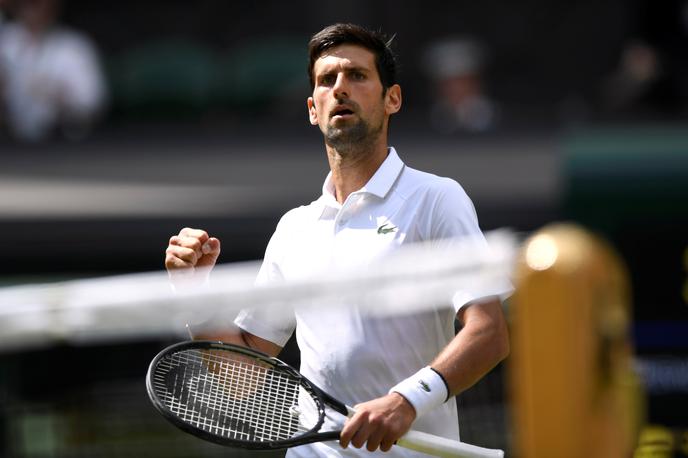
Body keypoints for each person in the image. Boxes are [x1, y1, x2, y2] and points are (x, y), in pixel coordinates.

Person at [165, 23, 510, 457]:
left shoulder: (436, 198)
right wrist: (193, 293)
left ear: (393, 99)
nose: (340, 88)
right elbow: (245, 377)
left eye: (357, 76)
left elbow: (490, 333)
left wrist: (406, 401)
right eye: (327, 80)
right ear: (313, 109)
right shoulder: (294, 228)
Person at [0, 0, 106, 141]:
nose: (30, 10)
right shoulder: (6, 42)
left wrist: (58, 96)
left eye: (37, 5)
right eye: (24, 4)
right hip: (12, 141)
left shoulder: (74, 47)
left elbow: (93, 101)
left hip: (60, 142)